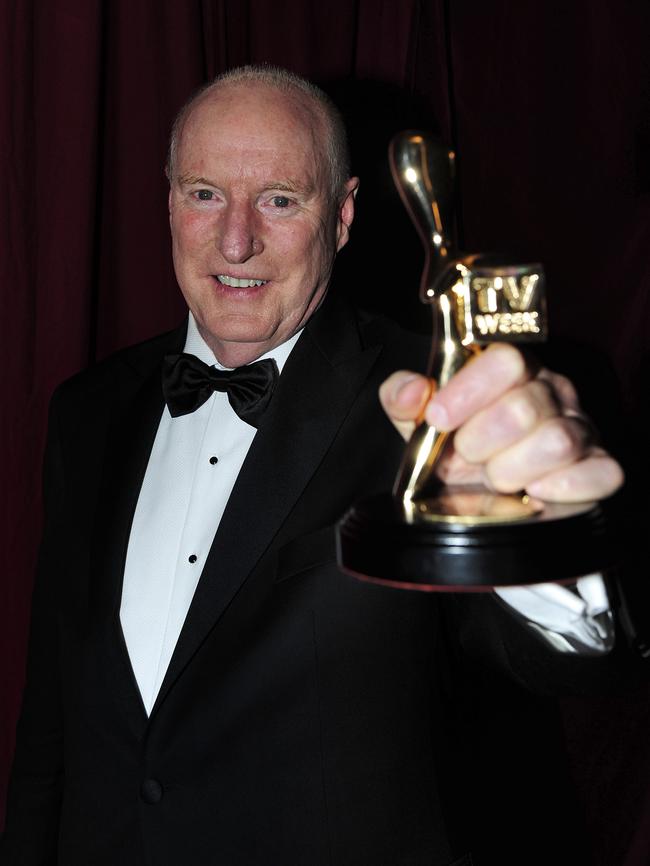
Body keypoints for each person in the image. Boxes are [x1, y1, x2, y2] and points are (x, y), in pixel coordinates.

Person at [0, 65, 629, 866]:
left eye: (279, 199)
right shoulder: (85, 412)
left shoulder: (435, 406)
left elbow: (563, 662)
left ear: (342, 217)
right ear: (167, 200)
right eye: (203, 194)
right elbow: (51, 724)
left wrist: (545, 534)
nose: (236, 240)